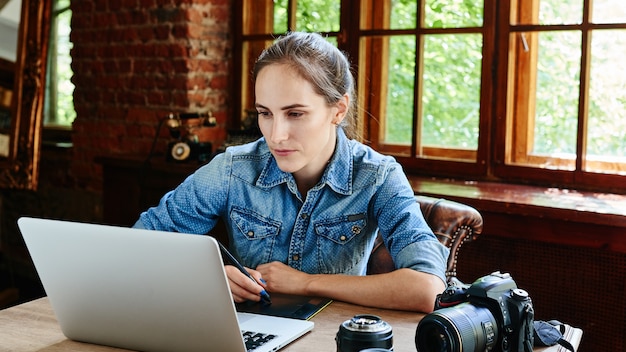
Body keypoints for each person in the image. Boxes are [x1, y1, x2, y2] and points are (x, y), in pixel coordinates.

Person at [134, 32, 449, 313]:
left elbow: (426, 288)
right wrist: (206, 277)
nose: (276, 135)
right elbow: (137, 248)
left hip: (334, 344)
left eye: (295, 113)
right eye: (265, 113)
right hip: (247, 339)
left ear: (338, 109)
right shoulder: (231, 170)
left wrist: (307, 283)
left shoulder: (378, 176)